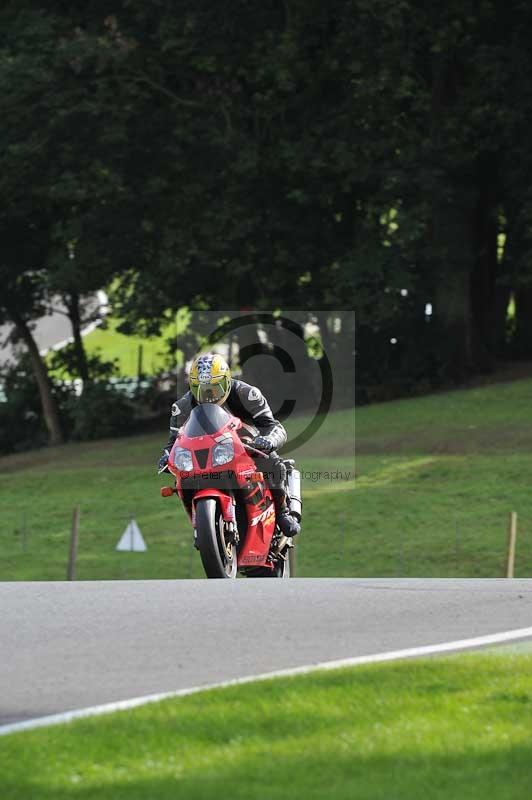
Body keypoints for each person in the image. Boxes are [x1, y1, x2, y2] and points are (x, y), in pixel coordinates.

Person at [157, 352, 300, 537]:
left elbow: (273, 426)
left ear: (227, 381)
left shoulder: (247, 394)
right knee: (184, 478)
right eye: (200, 389)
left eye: (214, 388)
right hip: (207, 452)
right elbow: (174, 441)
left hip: (248, 444)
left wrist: (269, 441)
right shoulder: (182, 407)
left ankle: (282, 512)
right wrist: (166, 456)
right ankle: (201, 528)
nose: (208, 396)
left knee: (273, 463)